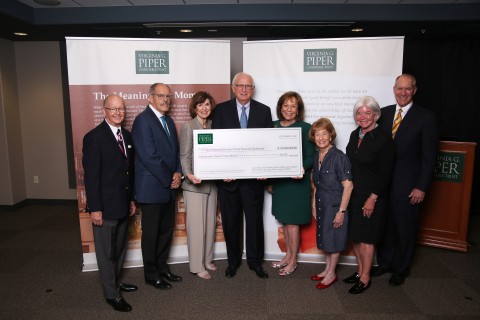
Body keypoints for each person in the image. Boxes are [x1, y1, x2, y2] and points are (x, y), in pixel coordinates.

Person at [373, 74, 438, 286]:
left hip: (409, 186)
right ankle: (384, 263)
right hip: (384, 185)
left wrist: (421, 186)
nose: (403, 93)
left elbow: (430, 157)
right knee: (386, 227)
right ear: (394, 89)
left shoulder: (426, 117)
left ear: (414, 90)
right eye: (399, 88)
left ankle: (401, 268)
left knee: (406, 229)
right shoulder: (383, 113)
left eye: (407, 89)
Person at [211, 72, 273, 279]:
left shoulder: (264, 111)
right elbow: (215, 144)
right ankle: (233, 262)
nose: (244, 90)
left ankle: (255, 262)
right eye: (240, 86)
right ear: (233, 87)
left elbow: (267, 146)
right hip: (229, 182)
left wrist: (266, 171)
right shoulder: (220, 110)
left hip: (254, 182)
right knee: (231, 223)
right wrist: (221, 172)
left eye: (248, 86)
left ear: (253, 89)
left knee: (255, 223)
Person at [82, 94, 137, 312]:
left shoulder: (127, 136)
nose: (117, 113)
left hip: (123, 204)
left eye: (121, 109)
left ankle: (115, 282)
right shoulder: (94, 137)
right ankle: (112, 294)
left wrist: (131, 199)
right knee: (106, 253)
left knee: (119, 249)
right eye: (113, 109)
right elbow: (91, 177)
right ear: (104, 110)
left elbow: (128, 172)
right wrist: (95, 208)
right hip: (104, 207)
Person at [131, 83, 183, 290]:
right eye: (161, 95)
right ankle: (151, 274)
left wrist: (178, 172)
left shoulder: (168, 121)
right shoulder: (142, 121)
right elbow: (148, 156)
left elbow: (176, 152)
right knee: (151, 233)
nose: (165, 99)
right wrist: (170, 177)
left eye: (168, 96)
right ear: (150, 98)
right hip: (152, 187)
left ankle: (162, 268)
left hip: (168, 186)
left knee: (165, 231)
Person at [344, 96, 395, 294]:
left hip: (371, 197)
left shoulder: (383, 139)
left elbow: (385, 173)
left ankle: (365, 277)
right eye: (359, 112)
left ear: (376, 115)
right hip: (354, 195)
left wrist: (373, 198)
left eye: (367, 112)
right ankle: (359, 271)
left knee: (367, 239)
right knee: (356, 237)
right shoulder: (353, 135)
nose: (363, 116)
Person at [268, 91, 316, 276]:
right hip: (280, 184)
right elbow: (268, 156)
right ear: (280, 107)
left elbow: (311, 156)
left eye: (293, 106)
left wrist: (301, 168)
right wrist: (268, 179)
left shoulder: (305, 128)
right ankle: (287, 256)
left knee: (293, 223)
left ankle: (293, 261)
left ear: (298, 110)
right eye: (286, 105)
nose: (289, 109)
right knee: (285, 220)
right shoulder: (272, 126)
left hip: (296, 184)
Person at [309, 117, 353, 289]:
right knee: (326, 238)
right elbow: (315, 184)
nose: (320, 138)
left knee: (334, 240)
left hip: (335, 205)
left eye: (324, 134)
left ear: (330, 135)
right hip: (321, 202)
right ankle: (327, 269)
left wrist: (341, 212)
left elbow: (348, 186)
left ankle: (332, 274)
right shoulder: (317, 155)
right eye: (317, 134)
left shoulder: (339, 157)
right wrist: (313, 204)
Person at [179, 91, 218, 280]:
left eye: (208, 105)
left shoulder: (212, 126)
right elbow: (184, 155)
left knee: (209, 225)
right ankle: (196, 265)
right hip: (194, 185)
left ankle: (207, 259)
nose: (204, 108)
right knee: (196, 227)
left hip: (211, 184)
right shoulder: (188, 126)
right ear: (194, 108)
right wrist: (189, 175)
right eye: (200, 105)